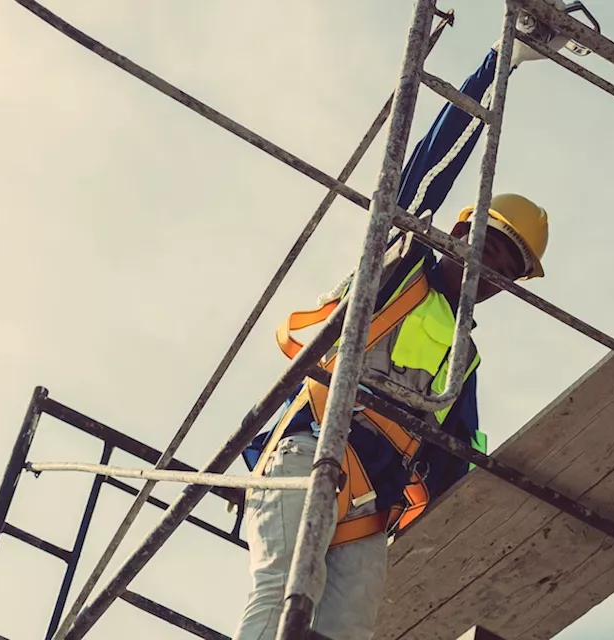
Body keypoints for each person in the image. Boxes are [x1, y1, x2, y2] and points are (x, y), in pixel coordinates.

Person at [231, 39, 553, 640]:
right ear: (459, 234)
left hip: (370, 503)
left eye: (507, 270)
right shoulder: (399, 267)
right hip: (310, 448)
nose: (492, 274)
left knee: (345, 631)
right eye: (488, 250)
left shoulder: (465, 357)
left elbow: (456, 460)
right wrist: (497, 68)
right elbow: (428, 169)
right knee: (281, 591)